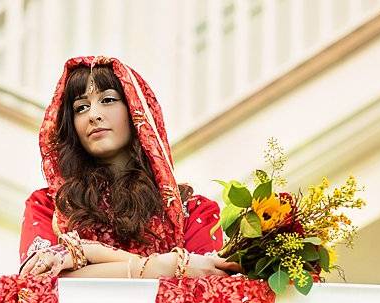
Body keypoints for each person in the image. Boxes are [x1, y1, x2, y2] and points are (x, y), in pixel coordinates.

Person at [19, 56, 240, 278]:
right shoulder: (49, 207)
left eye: (107, 100)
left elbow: (210, 287)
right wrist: (167, 266)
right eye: (81, 107)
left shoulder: (193, 212)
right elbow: (38, 284)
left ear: (136, 110)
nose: (93, 115)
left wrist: (90, 253)